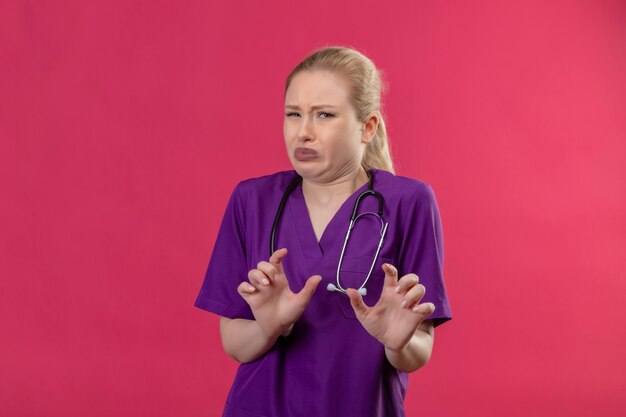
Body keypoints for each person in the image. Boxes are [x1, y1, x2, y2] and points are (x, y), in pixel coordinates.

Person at [195, 45, 452, 417]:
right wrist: (269, 327)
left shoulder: (408, 202)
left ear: (367, 127)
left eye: (324, 115)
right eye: (293, 114)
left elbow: (418, 351)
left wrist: (397, 343)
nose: (303, 132)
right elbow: (235, 344)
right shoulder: (252, 200)